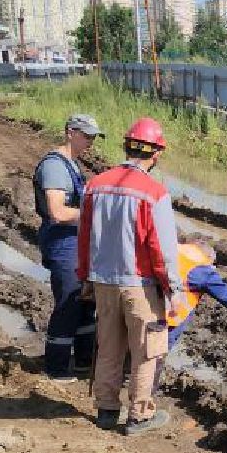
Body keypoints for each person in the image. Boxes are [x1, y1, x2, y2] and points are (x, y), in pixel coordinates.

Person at [76, 117, 188, 436]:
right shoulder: (154, 192)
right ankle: (139, 416)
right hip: (139, 286)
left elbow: (84, 238)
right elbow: (162, 250)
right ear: (156, 155)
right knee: (145, 351)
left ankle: (107, 410)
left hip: (102, 283)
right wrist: (173, 291)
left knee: (108, 346)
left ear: (126, 146)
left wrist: (85, 276)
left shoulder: (95, 185)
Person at [33, 113, 101, 379]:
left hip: (77, 243)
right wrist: (98, 215)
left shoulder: (72, 165)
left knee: (86, 304)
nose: (91, 142)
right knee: (69, 303)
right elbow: (57, 212)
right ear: (70, 132)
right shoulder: (54, 166)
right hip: (63, 243)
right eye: (87, 136)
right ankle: (56, 367)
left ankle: (84, 362)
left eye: (94, 137)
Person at [165, 241, 227, 347]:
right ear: (209, 257)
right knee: (156, 355)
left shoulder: (174, 248)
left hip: (150, 305)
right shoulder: (202, 270)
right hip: (168, 319)